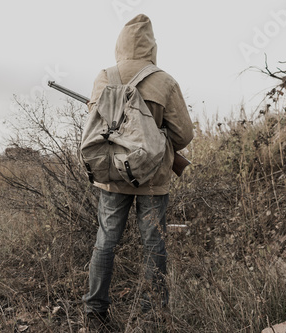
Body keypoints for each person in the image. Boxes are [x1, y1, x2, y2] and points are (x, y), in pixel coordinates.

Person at [82, 13, 194, 329]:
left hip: (112, 177)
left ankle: (94, 312)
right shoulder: (165, 81)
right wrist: (152, 136)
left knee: (105, 241)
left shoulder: (103, 77)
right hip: (152, 178)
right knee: (154, 244)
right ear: (152, 47)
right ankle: (151, 314)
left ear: (119, 45)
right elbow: (184, 135)